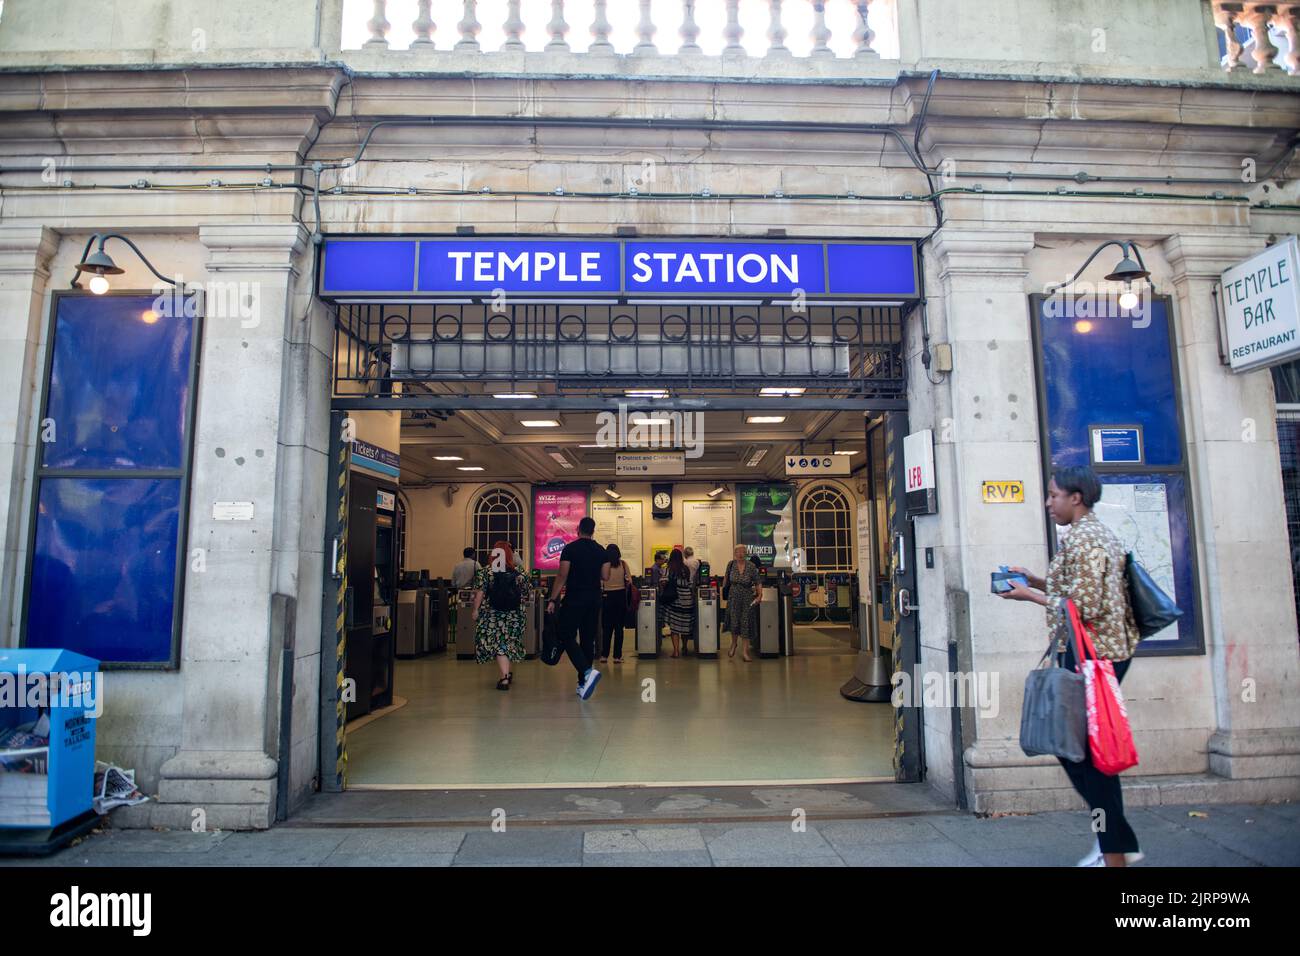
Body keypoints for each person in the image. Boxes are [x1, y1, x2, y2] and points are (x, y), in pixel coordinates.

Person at [999, 465, 1143, 868]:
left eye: (1053, 495)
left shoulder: (1089, 539)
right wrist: (1036, 580)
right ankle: (1115, 845)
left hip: (1095, 658)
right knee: (1081, 752)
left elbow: (1085, 606)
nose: (1048, 503)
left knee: (1084, 755)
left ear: (1075, 497)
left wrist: (1030, 595)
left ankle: (1115, 850)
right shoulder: (1082, 536)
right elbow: (1075, 591)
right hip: (1087, 655)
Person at [546, 516, 610, 699]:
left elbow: (562, 575)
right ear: (593, 531)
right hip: (594, 599)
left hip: (575, 598)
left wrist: (552, 599)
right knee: (588, 640)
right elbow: (605, 576)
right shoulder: (601, 551)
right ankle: (583, 683)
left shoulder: (570, 549)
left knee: (565, 634)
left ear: (578, 529)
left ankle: (586, 672)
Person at [470, 541, 531, 690]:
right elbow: (526, 592)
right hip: (515, 614)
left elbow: (480, 593)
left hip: (493, 613)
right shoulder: (520, 572)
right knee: (508, 642)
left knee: (499, 644)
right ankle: (507, 672)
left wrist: (476, 610)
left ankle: (504, 678)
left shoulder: (486, 572)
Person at [725, 545, 762, 662]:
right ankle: (734, 644)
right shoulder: (731, 564)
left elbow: (757, 581)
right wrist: (720, 591)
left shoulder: (751, 566)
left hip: (747, 598)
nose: (740, 554)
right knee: (734, 622)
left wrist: (760, 595)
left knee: (745, 623)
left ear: (746, 553)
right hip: (733, 597)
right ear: (735, 553)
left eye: (743, 552)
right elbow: (726, 579)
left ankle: (745, 652)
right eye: (738, 552)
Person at [600, 543, 633, 664]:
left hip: (607, 597)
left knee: (607, 628)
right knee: (619, 628)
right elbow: (630, 581)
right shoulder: (623, 564)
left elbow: (600, 581)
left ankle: (604, 655)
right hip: (620, 597)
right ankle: (617, 656)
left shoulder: (604, 565)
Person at [662, 548, 695, 658]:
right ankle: (684, 647)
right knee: (685, 626)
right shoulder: (685, 568)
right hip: (687, 600)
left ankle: (676, 651)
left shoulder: (668, 568)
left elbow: (663, 581)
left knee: (674, 627)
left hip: (675, 599)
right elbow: (690, 584)